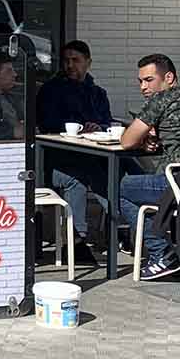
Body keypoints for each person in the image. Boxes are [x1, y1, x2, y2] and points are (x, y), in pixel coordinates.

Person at [117, 53, 180, 280]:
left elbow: (126, 141)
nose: (143, 86)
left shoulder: (160, 100)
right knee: (136, 180)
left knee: (118, 188)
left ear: (169, 78)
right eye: (140, 81)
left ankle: (162, 254)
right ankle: (167, 249)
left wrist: (143, 137)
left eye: (149, 80)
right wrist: (155, 139)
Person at [36, 40, 114, 264]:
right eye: (66, 61)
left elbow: (106, 120)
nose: (70, 65)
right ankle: (78, 238)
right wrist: (80, 126)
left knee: (123, 168)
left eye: (75, 60)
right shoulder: (52, 90)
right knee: (83, 175)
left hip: (91, 152)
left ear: (88, 63)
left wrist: (98, 126)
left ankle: (125, 224)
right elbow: (48, 122)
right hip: (55, 158)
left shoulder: (98, 93)